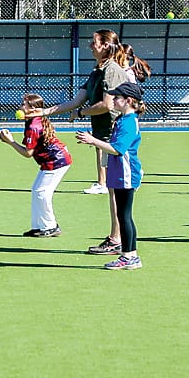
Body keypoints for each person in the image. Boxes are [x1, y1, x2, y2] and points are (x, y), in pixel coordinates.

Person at [37, 29, 126, 255]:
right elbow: (76, 100)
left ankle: (119, 241)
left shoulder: (112, 71)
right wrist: (44, 112)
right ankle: (115, 238)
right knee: (113, 191)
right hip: (105, 137)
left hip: (117, 137)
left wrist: (82, 113)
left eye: (94, 42)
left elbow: (107, 105)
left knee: (118, 192)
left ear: (106, 45)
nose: (90, 45)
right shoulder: (97, 71)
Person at [75, 82, 145, 270]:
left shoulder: (129, 122)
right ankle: (129, 255)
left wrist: (93, 140)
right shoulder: (123, 119)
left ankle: (130, 256)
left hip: (126, 174)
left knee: (124, 215)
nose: (113, 99)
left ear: (128, 100)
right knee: (123, 215)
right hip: (119, 173)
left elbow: (118, 149)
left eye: (117, 97)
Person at [0, 93, 72, 237]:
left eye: (23, 104)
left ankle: (51, 226)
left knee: (42, 193)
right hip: (52, 160)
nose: (20, 106)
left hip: (56, 161)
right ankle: (39, 226)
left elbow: (27, 153)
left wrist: (10, 141)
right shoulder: (33, 120)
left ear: (32, 108)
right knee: (37, 190)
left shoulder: (34, 126)